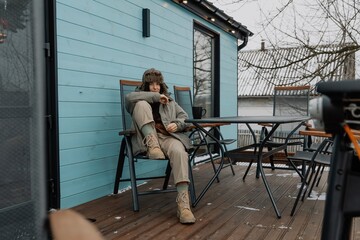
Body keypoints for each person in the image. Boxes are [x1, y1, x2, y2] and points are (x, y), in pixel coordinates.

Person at [125, 68, 196, 224]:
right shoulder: (136, 99)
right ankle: (153, 146)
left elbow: (184, 117)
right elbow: (129, 98)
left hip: (167, 138)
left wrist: (177, 125)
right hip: (147, 140)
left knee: (179, 152)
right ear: (145, 85)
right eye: (151, 84)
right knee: (142, 104)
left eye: (158, 84)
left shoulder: (170, 101)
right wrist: (156, 97)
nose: (155, 87)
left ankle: (183, 206)